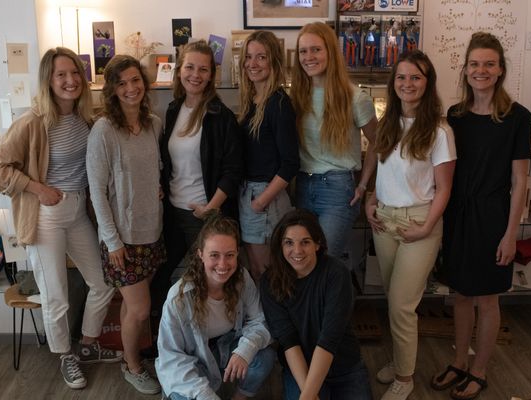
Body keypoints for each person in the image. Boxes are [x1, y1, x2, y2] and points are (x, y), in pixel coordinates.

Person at [0, 47, 119, 390]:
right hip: (46, 214)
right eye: (61, 75)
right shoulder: (32, 121)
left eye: (74, 73)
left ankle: (87, 344)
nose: (70, 80)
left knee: (103, 283)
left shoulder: (87, 118)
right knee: (56, 294)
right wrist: (36, 188)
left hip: (78, 211)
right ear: (48, 80)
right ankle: (65, 355)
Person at [432, 32, 531, 400]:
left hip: (493, 218)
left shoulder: (518, 117)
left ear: (501, 69)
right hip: (458, 215)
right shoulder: (455, 116)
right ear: (465, 69)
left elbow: (520, 181)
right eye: (474, 64)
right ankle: (460, 362)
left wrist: (511, 235)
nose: (481, 70)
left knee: (488, 299)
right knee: (459, 294)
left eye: (489, 64)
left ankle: (480, 369)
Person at [365, 50, 456, 400]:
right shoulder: (387, 123)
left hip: (419, 223)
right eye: (401, 77)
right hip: (385, 220)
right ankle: (400, 360)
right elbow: (383, 169)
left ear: (428, 83)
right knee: (394, 300)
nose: (408, 84)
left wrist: (427, 227)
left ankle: (405, 377)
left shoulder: (439, 131)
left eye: (416, 77)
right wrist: (371, 197)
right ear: (393, 83)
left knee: (402, 305)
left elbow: (444, 188)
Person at [86, 54, 164, 395]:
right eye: (122, 83)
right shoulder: (104, 130)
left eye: (135, 80)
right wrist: (112, 241)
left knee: (136, 309)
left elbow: (154, 170)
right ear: (113, 90)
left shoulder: (154, 124)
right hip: (122, 239)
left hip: (152, 231)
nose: (131, 88)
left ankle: (129, 359)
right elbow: (97, 191)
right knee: (140, 308)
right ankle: (133, 366)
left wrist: (157, 187)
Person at [156, 212, 275, 400]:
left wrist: (244, 351)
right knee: (182, 396)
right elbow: (171, 357)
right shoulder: (178, 297)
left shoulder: (242, 278)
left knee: (264, 357)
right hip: (194, 359)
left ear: (237, 254)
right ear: (200, 255)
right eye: (214, 255)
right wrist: (205, 394)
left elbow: (259, 320)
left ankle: (239, 397)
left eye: (229, 255)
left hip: (229, 345)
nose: (222, 264)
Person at [158, 40, 243, 304]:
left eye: (203, 69)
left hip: (204, 216)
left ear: (211, 76)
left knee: (212, 285)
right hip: (172, 213)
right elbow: (167, 162)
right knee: (161, 278)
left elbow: (233, 170)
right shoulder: (173, 110)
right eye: (190, 67)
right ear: (179, 70)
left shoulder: (221, 116)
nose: (195, 75)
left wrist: (210, 209)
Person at [260, 209, 371, 400]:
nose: (297, 251)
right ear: (280, 245)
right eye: (289, 242)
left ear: (317, 244)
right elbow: (288, 341)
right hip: (301, 370)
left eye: (305, 242)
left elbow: (329, 339)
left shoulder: (337, 273)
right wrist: (308, 394)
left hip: (344, 367)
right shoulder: (270, 282)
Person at [290, 22, 377, 262]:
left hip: (337, 190)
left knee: (325, 262)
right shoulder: (297, 96)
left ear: (330, 51)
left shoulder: (355, 98)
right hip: (303, 186)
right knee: (302, 261)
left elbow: (378, 143)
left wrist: (363, 185)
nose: (309, 57)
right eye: (303, 51)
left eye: (316, 49)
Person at [238, 30, 300, 281]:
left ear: (273, 60)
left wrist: (260, 202)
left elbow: (290, 163)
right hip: (250, 194)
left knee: (267, 274)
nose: (252, 64)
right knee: (256, 270)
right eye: (248, 57)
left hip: (266, 197)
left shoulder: (279, 103)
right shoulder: (252, 100)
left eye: (261, 57)